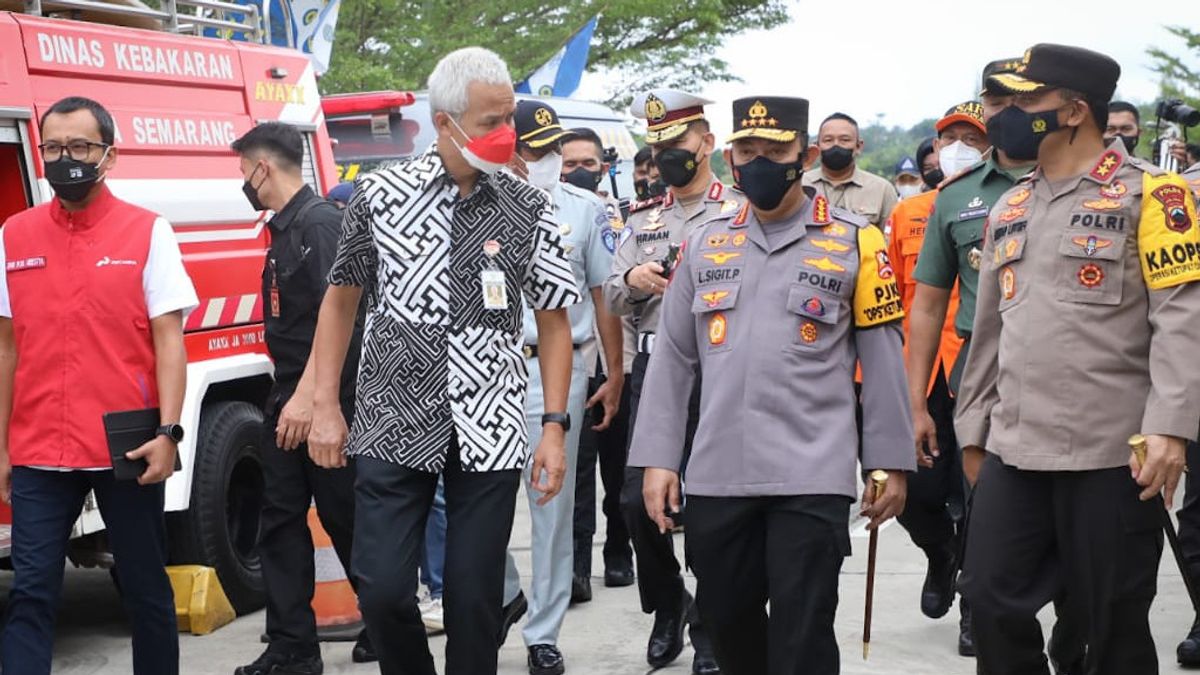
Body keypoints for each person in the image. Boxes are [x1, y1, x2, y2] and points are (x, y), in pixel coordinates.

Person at [305, 47, 581, 675]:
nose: (505, 133)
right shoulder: (378, 196)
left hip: (490, 420)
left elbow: (555, 320)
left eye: (508, 117)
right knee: (379, 587)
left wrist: (554, 427)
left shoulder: (528, 206)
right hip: (394, 416)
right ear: (444, 121)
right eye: (490, 122)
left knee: (473, 595)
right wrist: (324, 403)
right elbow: (339, 302)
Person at [634, 95, 914, 675]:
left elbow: (883, 362)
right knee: (727, 627)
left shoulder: (857, 242)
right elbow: (673, 361)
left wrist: (889, 462)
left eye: (775, 150)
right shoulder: (705, 243)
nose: (759, 162)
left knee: (802, 632)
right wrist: (659, 459)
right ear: (731, 156)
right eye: (747, 150)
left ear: (805, 155)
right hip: (718, 472)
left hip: (811, 474)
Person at [957, 43, 1200, 675]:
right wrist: (972, 432)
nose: (1003, 114)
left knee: (1108, 623)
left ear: (1072, 111)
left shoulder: (1156, 195)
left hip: (1113, 453)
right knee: (987, 600)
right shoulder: (1009, 206)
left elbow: (1181, 317)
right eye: (1000, 101)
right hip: (1014, 446)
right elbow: (988, 333)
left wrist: (1172, 427)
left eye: (1022, 102)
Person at [0, 96, 197, 674]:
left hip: (127, 442)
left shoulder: (147, 231)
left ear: (109, 155)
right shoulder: (14, 235)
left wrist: (169, 431)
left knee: (143, 588)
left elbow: (169, 340)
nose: (67, 159)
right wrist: (2, 447)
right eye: (54, 148)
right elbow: (6, 347)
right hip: (39, 446)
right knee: (32, 593)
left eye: (81, 146)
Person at [229, 122, 372, 674]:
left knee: (346, 518)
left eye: (244, 169)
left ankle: (387, 622)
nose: (243, 180)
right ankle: (292, 645)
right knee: (280, 520)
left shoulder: (322, 224)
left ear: (263, 167)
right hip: (287, 394)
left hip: (326, 400)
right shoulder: (285, 230)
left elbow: (344, 320)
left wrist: (313, 400)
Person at [602, 88, 729, 675]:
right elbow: (608, 290)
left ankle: (708, 626)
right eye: (658, 147)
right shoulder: (643, 218)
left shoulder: (738, 210)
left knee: (709, 504)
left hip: (722, 370)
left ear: (705, 142)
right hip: (656, 371)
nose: (667, 156)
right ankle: (668, 601)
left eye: (676, 144)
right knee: (634, 502)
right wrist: (633, 275)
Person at [499, 100, 624, 675]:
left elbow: (604, 295)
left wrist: (614, 371)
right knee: (473, 495)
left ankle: (542, 632)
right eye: (535, 149)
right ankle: (506, 595)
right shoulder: (480, 205)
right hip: (486, 368)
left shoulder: (585, 209)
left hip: (558, 369)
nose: (547, 160)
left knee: (550, 500)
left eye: (553, 149)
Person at [885, 101, 989, 636]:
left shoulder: (1011, 202)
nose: (958, 148)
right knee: (914, 495)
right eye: (950, 137)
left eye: (971, 138)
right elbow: (896, 300)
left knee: (980, 494)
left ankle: (975, 601)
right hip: (921, 371)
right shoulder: (910, 212)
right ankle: (941, 553)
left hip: (977, 366)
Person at [560, 127, 636, 601]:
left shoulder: (625, 218)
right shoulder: (556, 212)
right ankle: (578, 566)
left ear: (604, 167)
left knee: (619, 467)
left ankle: (619, 551)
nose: (580, 172)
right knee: (579, 468)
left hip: (618, 357)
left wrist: (618, 368)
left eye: (589, 163)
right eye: (570, 164)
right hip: (574, 361)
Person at [802, 112, 899, 229]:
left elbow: (891, 239)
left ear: (858, 146)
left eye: (845, 140)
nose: (836, 145)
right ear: (817, 146)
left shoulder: (882, 190)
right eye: (828, 140)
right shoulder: (800, 185)